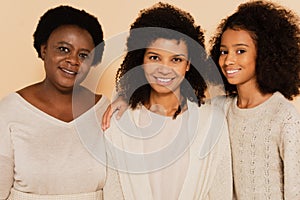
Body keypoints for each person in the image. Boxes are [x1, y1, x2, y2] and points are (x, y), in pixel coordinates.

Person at [103, 2, 232, 199]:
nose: (164, 69)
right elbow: (113, 192)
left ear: (188, 64)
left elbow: (220, 191)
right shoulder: (119, 121)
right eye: (155, 57)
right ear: (142, 59)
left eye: (176, 60)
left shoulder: (212, 122)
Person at [0, 5, 123, 200]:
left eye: (83, 55)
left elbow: (118, 188)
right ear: (44, 50)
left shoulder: (105, 110)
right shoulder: (8, 111)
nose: (73, 60)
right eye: (63, 49)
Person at [209, 1, 300, 199]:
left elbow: (296, 189)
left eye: (240, 51)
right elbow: (173, 107)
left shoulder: (284, 116)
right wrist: (124, 99)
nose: (229, 60)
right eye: (224, 51)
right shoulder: (219, 109)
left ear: (265, 54)